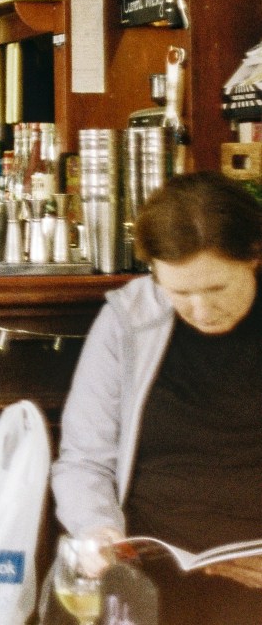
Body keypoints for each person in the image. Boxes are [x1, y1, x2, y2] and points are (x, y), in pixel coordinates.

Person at [51, 172, 262, 624]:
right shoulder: (128, 321)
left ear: (254, 256)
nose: (202, 310)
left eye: (217, 288)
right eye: (180, 292)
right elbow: (84, 462)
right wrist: (98, 530)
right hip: (147, 574)